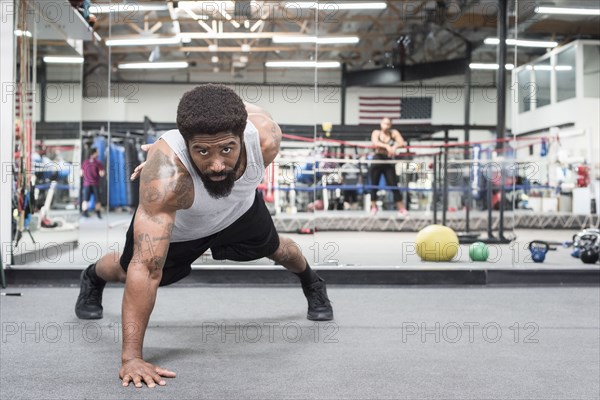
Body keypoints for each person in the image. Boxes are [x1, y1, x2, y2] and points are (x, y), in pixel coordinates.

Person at [74, 84, 333, 388]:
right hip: (183, 230)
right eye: (202, 151)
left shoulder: (265, 139)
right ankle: (92, 277)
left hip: (238, 212)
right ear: (186, 143)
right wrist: (131, 358)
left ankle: (312, 282)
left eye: (227, 148)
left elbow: (245, 108)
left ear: (242, 135)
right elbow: (145, 269)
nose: (217, 164)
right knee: (125, 268)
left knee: (280, 250)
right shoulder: (166, 177)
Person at [369, 117, 407, 216]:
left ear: (390, 125)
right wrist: (386, 146)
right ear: (381, 124)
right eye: (384, 123)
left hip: (388, 160)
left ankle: (401, 209)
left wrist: (394, 147)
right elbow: (375, 142)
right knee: (374, 185)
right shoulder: (376, 132)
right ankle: (373, 207)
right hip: (377, 159)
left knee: (393, 184)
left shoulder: (393, 133)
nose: (386, 126)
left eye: (388, 124)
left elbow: (402, 143)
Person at [81, 147, 105, 218]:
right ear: (94, 153)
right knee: (97, 199)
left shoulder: (85, 162)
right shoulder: (98, 163)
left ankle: (85, 213)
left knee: (85, 199)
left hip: (87, 184)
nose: (98, 154)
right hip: (95, 183)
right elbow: (102, 174)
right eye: (97, 152)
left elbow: (81, 173)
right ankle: (98, 213)